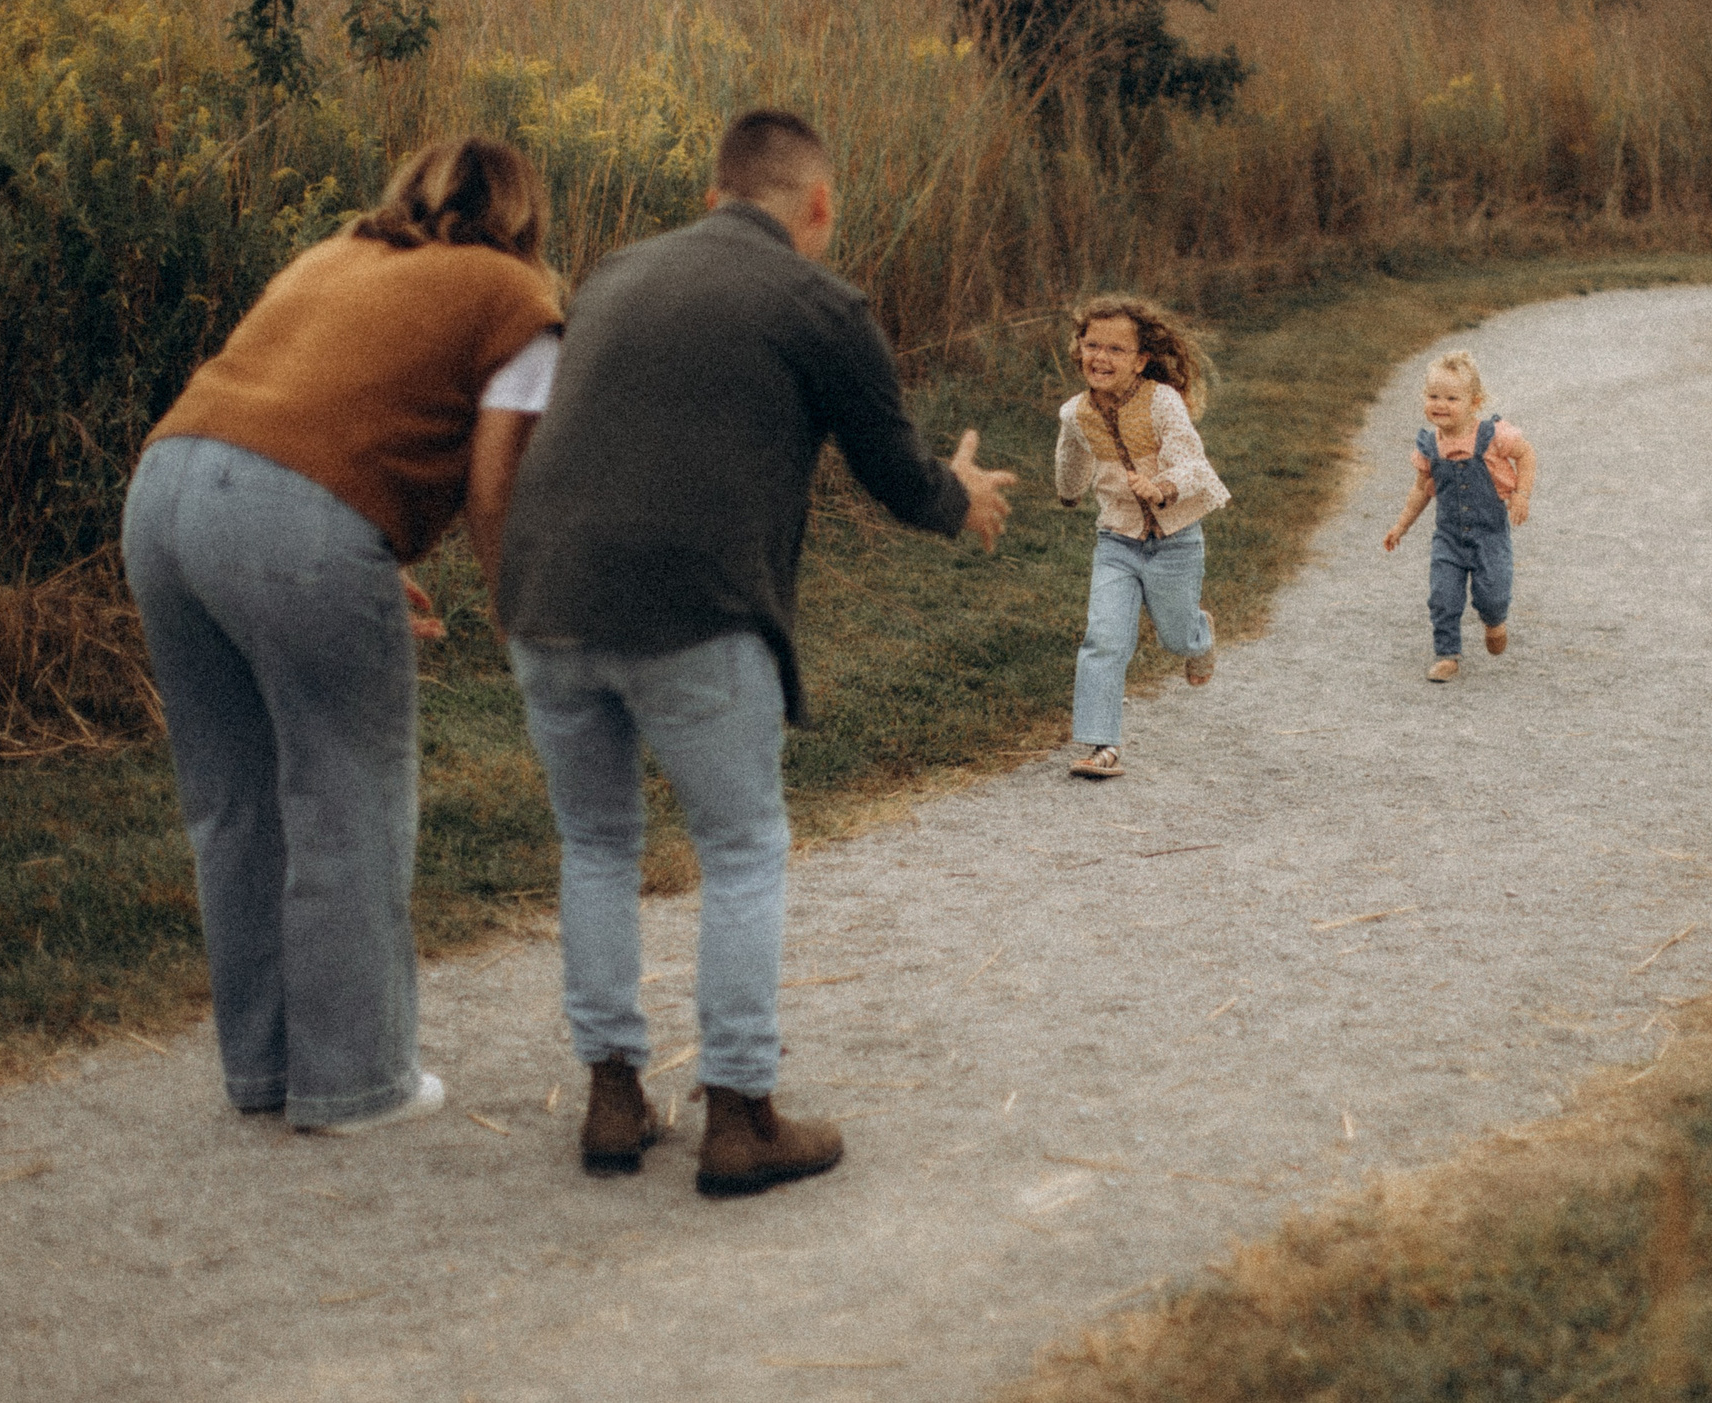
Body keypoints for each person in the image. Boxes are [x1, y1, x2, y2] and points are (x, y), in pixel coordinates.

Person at [497, 109, 1015, 1195]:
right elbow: (894, 472)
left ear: (713, 198)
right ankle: (739, 1114)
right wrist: (957, 494)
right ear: (817, 205)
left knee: (595, 844)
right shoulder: (818, 302)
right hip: (695, 603)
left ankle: (611, 1097)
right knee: (739, 850)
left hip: (544, 596)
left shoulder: (613, 273)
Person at [121, 137, 563, 1132]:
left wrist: (344, 544)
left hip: (164, 493)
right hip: (293, 522)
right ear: (523, 215)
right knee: (347, 794)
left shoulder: (335, 254)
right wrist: (518, 614)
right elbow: (497, 485)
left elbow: (301, 412)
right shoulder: (517, 298)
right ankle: (356, 1083)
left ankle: (264, 1070)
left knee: (232, 803)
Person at [1053, 295, 1230, 780]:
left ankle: (1198, 633)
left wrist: (1163, 487)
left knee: (1176, 636)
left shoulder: (1161, 401)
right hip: (1117, 542)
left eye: (1116, 349)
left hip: (1176, 541)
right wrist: (1068, 492)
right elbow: (1071, 457)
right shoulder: (1075, 413)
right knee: (1104, 639)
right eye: (1093, 345)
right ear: (1079, 349)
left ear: (1140, 360)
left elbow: (1192, 460)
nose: (1101, 357)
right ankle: (1102, 745)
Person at [1381, 350, 1537, 682]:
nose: (1441, 404)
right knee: (1442, 596)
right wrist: (1401, 526)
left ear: (1474, 402)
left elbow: (1526, 454)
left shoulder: (1493, 436)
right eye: (1433, 396)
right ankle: (1447, 654)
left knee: (1493, 594)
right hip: (1448, 538)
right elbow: (1421, 491)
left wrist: (1521, 494)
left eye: (1452, 398)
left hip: (1489, 536)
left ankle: (1494, 622)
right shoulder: (1429, 446)